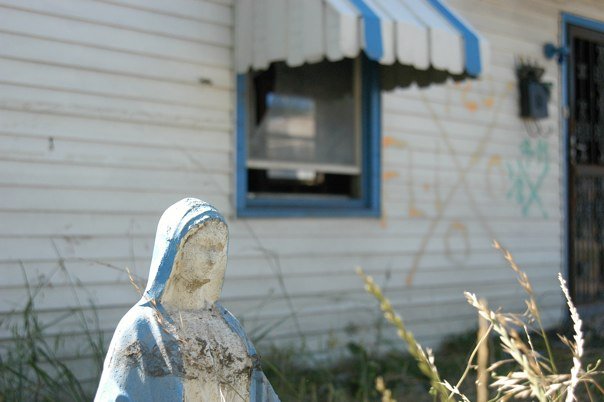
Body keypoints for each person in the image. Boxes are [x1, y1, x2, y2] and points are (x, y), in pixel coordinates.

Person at [95, 198, 279, 401]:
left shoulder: (228, 325)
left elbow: (261, 392)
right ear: (176, 248)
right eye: (203, 246)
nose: (212, 258)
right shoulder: (143, 327)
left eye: (219, 247)